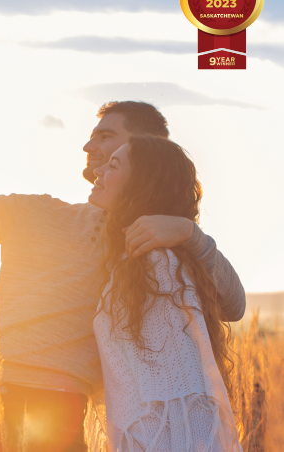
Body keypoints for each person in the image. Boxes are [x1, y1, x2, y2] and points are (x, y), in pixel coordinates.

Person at [0, 102, 245, 452]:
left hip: (57, 411)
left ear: (146, 146)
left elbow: (232, 304)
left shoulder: (147, 244)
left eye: (105, 137)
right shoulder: (37, 212)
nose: (88, 147)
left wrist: (189, 232)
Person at [87, 135, 242, 452]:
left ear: (141, 185)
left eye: (113, 165)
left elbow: (184, 397)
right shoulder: (131, 262)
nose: (98, 172)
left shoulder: (156, 265)